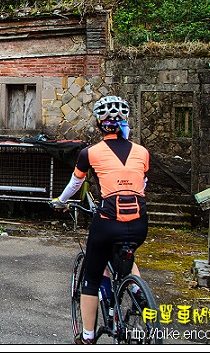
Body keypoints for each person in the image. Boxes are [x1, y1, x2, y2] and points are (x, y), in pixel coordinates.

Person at [51, 95, 150, 345]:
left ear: (99, 123)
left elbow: (76, 182)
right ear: (125, 121)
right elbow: (143, 184)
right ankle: (140, 295)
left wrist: (61, 201)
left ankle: (87, 336)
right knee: (126, 255)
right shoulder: (142, 152)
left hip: (108, 221)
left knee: (91, 278)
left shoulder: (90, 153)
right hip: (139, 222)